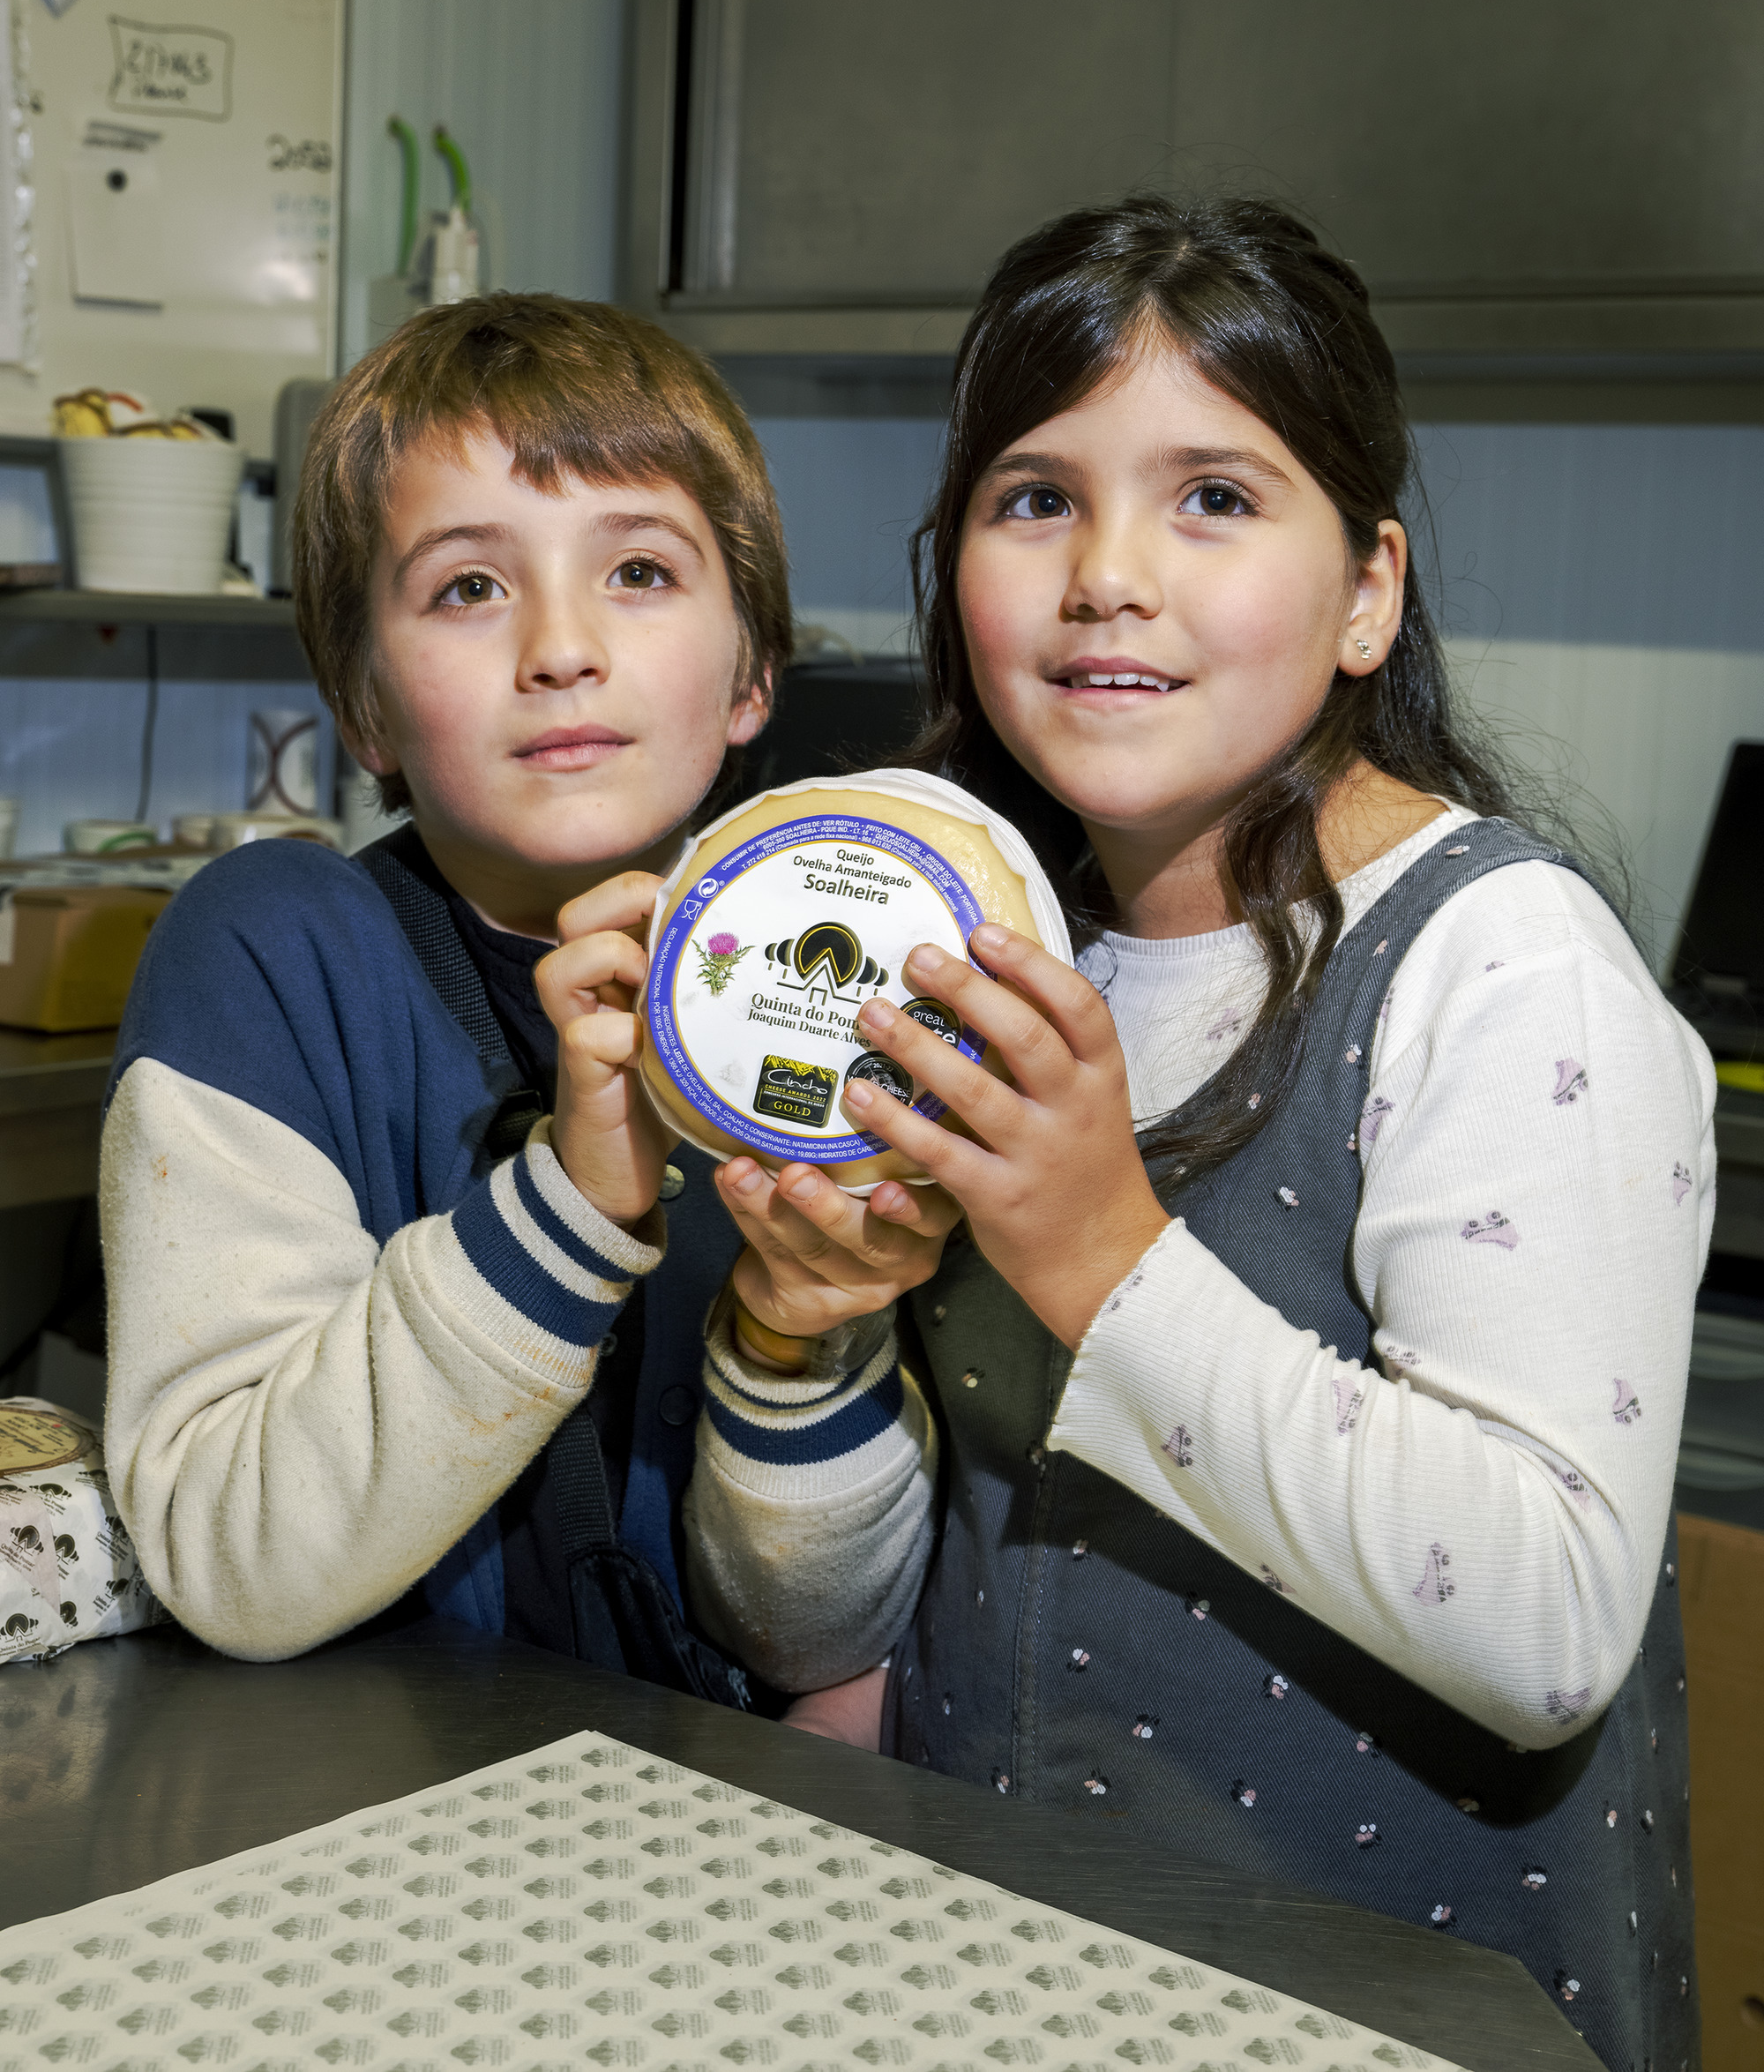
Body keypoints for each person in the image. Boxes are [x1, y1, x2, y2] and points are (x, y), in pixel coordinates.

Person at [694, 198, 1714, 2072]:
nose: (1107, 572)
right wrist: (796, 1340)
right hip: (996, 1983)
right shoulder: (973, 956)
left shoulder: (1499, 966)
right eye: (1033, 497)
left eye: (1215, 497)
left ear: (1366, 595)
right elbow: (823, 1622)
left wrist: (1102, 1256)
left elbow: (1549, 1615)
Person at [101, 292, 933, 1697]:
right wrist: (567, 1201)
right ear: (361, 701)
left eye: (642, 572)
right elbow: (226, 1554)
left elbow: (814, 1638)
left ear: (755, 670)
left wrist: (798, 1338)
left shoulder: (835, 988)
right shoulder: (268, 958)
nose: (560, 647)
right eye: (469, 586)